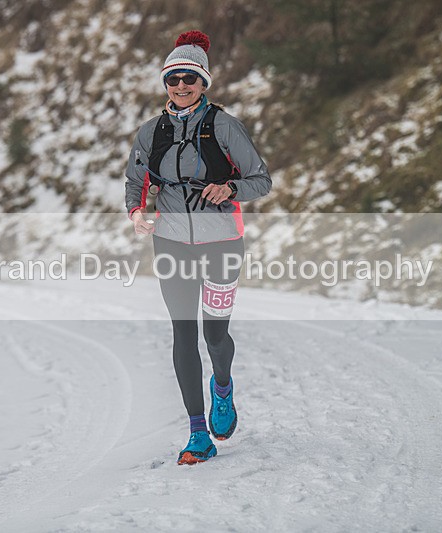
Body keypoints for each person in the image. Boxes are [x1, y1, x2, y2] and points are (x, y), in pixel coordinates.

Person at [125, 30, 271, 465]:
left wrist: (229, 188)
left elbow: (261, 180)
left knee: (215, 334)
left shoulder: (225, 126)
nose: (182, 85)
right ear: (165, 84)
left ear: (204, 82)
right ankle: (197, 433)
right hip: (171, 243)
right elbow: (137, 182)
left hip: (223, 242)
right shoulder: (151, 132)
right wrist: (137, 213)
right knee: (184, 334)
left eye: (190, 77)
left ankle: (222, 388)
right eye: (174, 78)